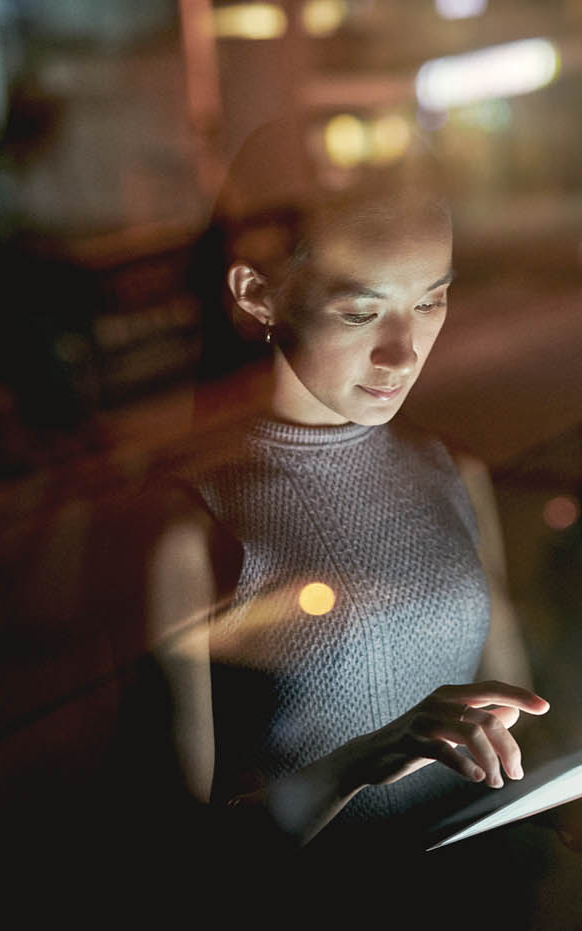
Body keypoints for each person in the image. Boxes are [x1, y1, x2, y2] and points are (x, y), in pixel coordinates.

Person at [141, 120, 548, 852]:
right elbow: (184, 845)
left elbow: (518, 734)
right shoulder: (194, 524)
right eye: (361, 311)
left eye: (431, 301)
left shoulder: (455, 474)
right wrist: (369, 758)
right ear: (256, 293)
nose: (404, 351)